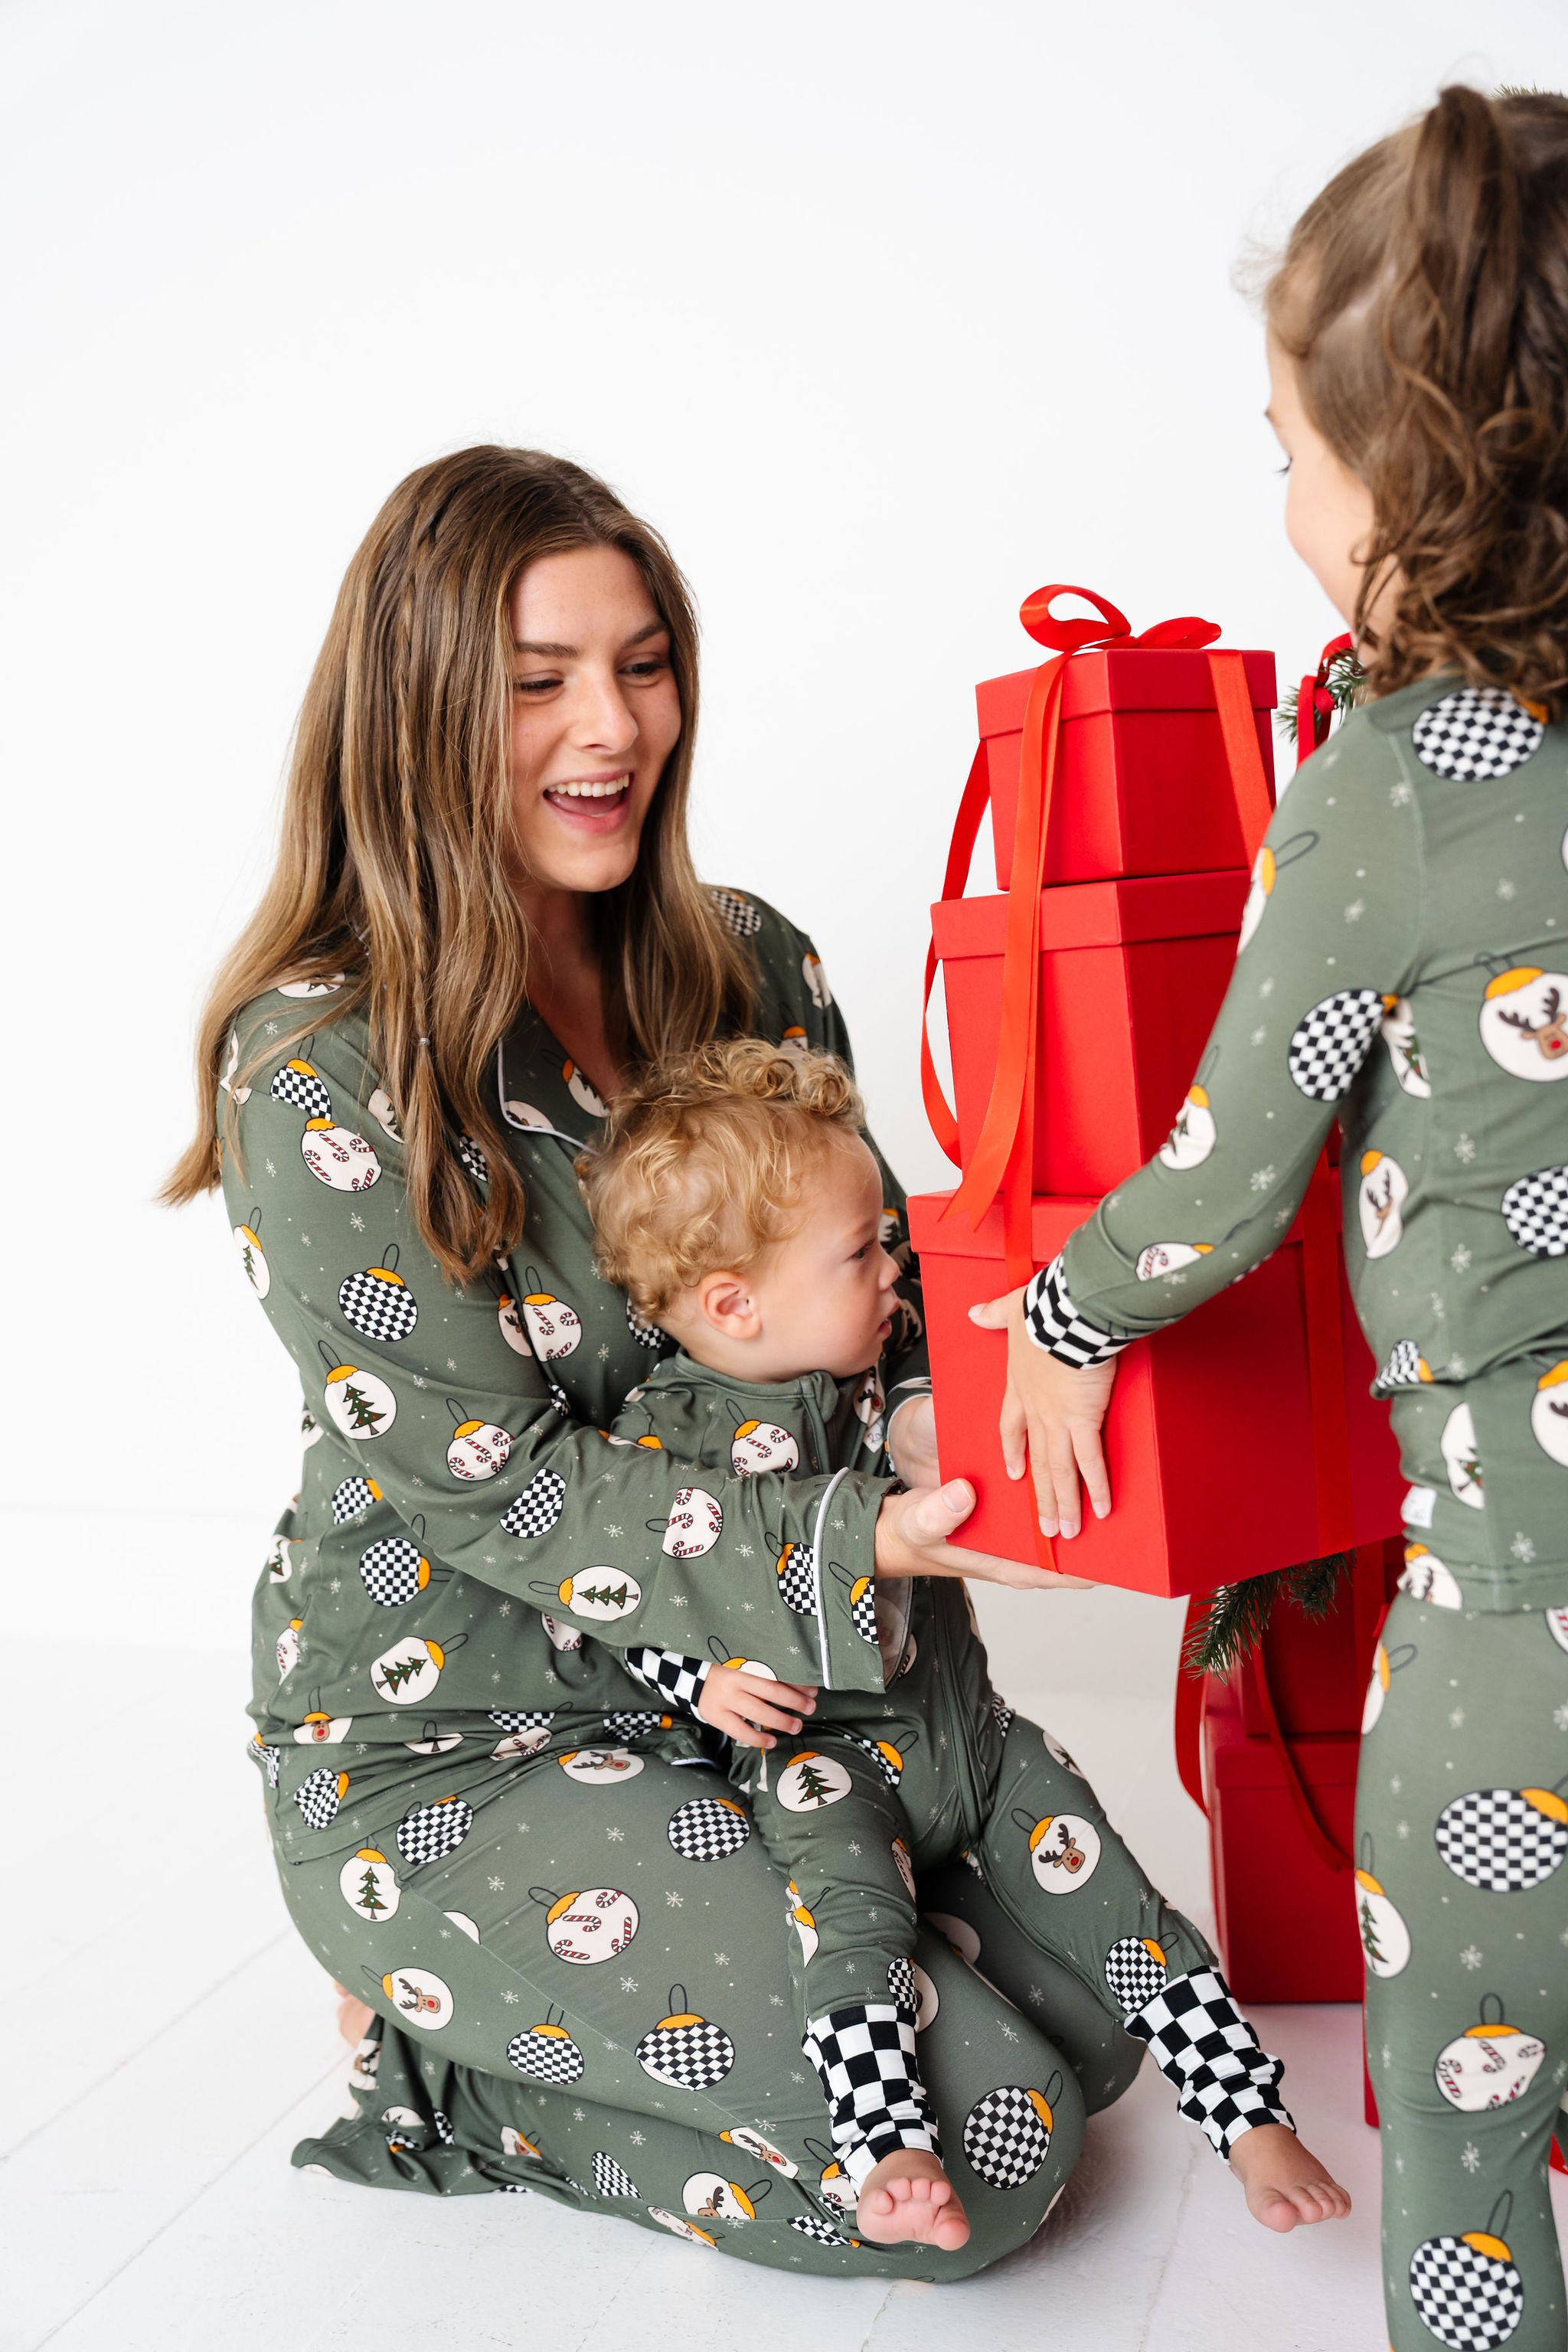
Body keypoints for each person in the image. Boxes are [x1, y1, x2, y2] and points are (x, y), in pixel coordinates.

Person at [170, 444, 1128, 2281]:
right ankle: (453, 2079)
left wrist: (965, 1415)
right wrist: (863, 1549)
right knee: (992, 2155)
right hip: (467, 1739)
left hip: (778, 1720)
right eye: (538, 681)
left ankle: (557, 2019)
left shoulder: (751, 961)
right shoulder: (320, 1064)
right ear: (421, 710)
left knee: (1093, 2044)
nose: (612, 726)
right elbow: (497, 1482)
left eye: (643, 661)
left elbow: (892, 1293)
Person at [972, 86, 1568, 2351]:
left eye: (1291, 453)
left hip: (1524, 1624)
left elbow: (1234, 1174)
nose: (1288, 507)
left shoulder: (1399, 786)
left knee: (1469, 2124)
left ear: (1414, 483)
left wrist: (1062, 1304)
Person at [576, 1033, 1345, 2250]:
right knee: (851, 1940)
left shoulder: (885, 1382)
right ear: (734, 1303)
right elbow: (618, 1588)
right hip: (824, 1768)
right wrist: (699, 1677)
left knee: (1122, 1900)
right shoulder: (659, 1439)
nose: (893, 1273)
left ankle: (1248, 2118)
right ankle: (892, 2155)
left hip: (973, 1740)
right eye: (861, 1253)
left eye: (887, 1242)